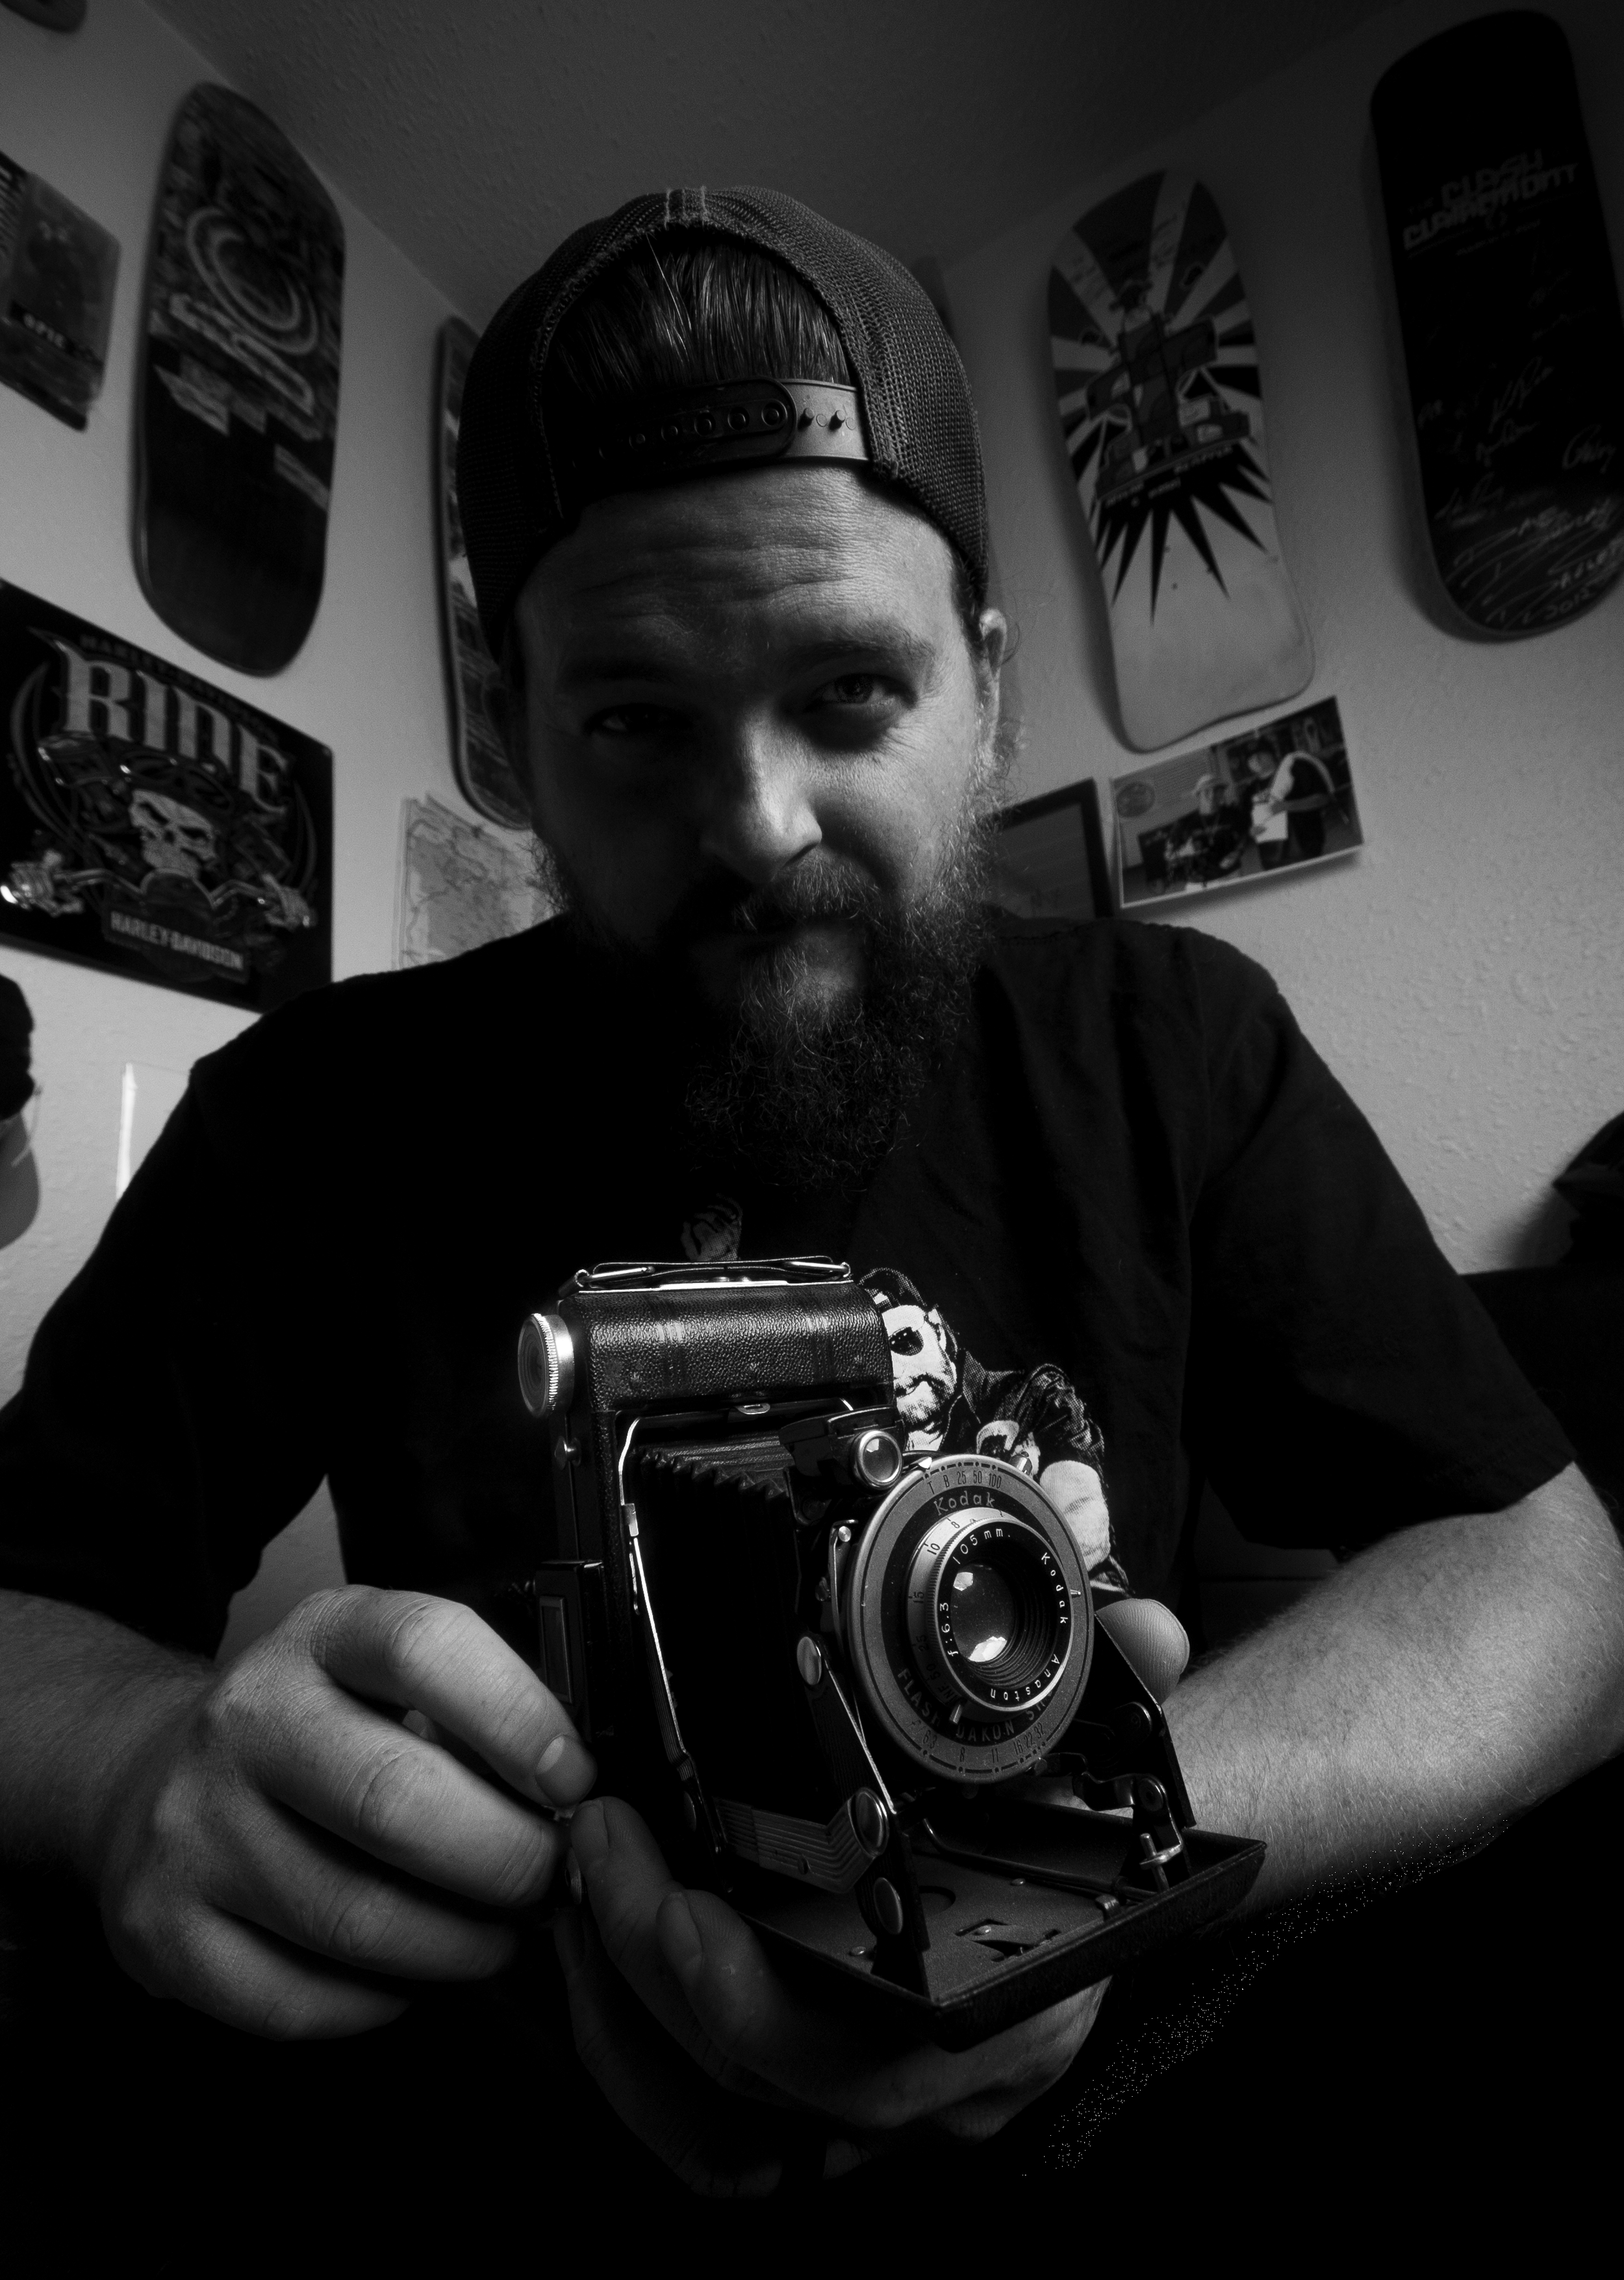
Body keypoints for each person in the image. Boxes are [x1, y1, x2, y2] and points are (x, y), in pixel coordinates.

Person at [1, 186, 1620, 2208]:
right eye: (632, 719)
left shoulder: (1173, 1036)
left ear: (988, 690)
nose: (755, 820)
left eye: (848, 691)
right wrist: (136, 1766)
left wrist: (1055, 1861)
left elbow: (1552, 1578)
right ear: (507, 734)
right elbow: (21, 1611)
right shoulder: (303, 1119)